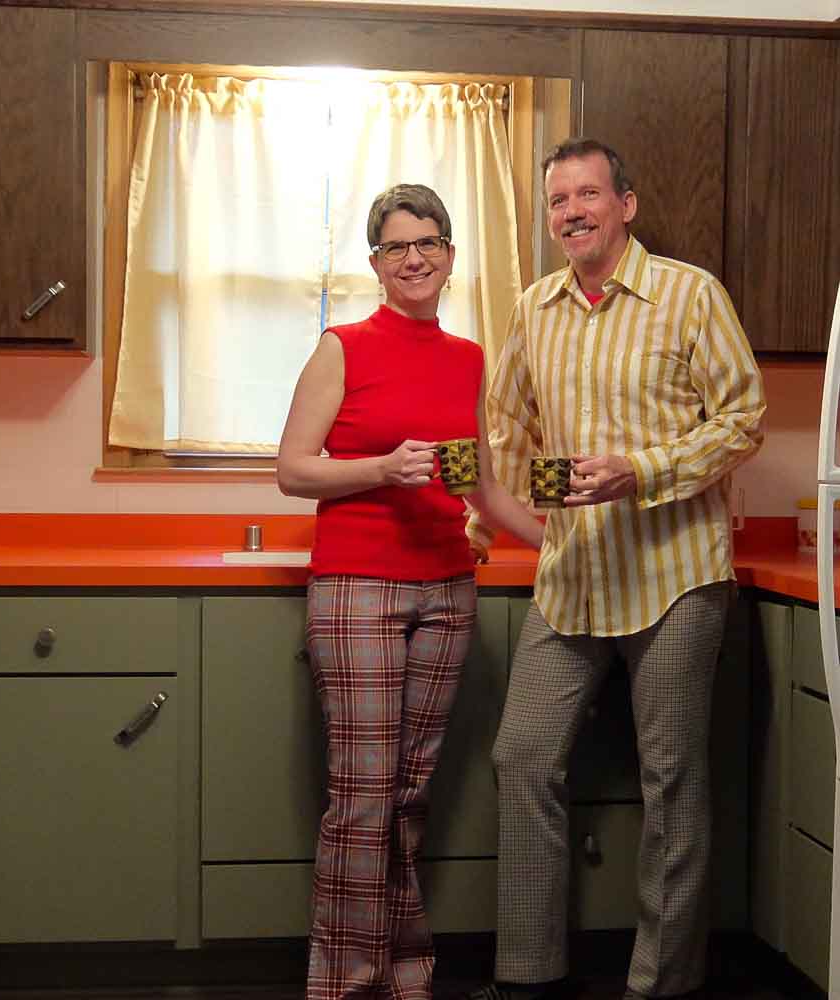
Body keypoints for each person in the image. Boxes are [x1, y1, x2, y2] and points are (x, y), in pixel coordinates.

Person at [463, 138, 766, 1000]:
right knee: (521, 757)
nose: (571, 212)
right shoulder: (534, 308)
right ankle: (527, 974)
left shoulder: (688, 293)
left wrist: (642, 471)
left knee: (671, 780)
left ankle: (659, 983)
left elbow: (743, 421)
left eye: (587, 194)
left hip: (674, 576)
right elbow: (508, 439)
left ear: (624, 204)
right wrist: (476, 528)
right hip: (572, 576)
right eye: (557, 200)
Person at [278, 183, 544, 1000]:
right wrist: (381, 468)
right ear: (376, 263)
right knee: (361, 796)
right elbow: (294, 469)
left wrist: (565, 543)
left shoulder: (466, 358)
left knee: (408, 792)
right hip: (358, 584)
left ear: (451, 256)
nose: (414, 258)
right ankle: (347, 980)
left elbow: (479, 489)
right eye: (397, 247)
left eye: (427, 242)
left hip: (446, 588)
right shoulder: (343, 346)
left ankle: (405, 968)